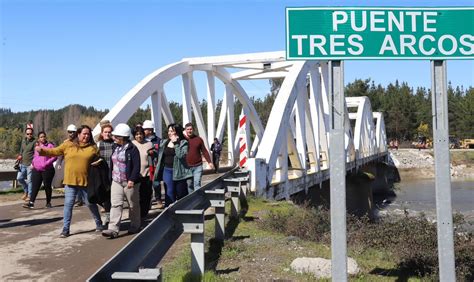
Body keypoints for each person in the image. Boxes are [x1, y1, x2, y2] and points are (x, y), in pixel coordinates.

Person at [37, 125, 103, 238]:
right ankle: (65, 229)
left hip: (85, 182)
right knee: (68, 205)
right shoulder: (68, 144)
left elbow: (99, 160)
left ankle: (99, 223)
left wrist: (98, 163)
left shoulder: (93, 148)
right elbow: (55, 151)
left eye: (88, 134)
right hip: (70, 182)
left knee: (90, 204)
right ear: (78, 134)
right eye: (84, 134)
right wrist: (42, 151)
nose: (86, 136)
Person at [102, 123, 141, 239]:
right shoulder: (115, 147)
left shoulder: (133, 149)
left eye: (116, 136)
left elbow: (136, 166)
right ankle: (113, 229)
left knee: (133, 205)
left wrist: (132, 179)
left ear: (123, 137)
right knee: (116, 204)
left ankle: (135, 225)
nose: (114, 138)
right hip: (116, 180)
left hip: (129, 182)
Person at [153, 124, 191, 207]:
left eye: (172, 131)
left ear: (177, 132)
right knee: (169, 193)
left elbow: (181, 156)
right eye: (169, 131)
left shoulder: (183, 142)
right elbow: (160, 154)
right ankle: (169, 214)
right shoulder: (164, 142)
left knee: (181, 194)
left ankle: (182, 213)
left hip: (179, 172)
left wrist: (176, 143)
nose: (169, 133)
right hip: (167, 171)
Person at [23, 132, 57, 209]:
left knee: (47, 186)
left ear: (46, 137)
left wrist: (46, 163)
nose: (43, 138)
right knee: (35, 186)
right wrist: (33, 163)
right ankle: (31, 203)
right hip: (37, 169)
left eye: (44, 136)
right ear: (38, 138)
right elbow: (35, 156)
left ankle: (48, 202)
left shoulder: (50, 146)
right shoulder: (37, 146)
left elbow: (55, 156)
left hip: (47, 170)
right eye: (41, 137)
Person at [183, 122, 213, 193]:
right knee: (189, 184)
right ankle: (191, 200)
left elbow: (204, 151)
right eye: (188, 129)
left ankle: (198, 200)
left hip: (198, 166)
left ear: (193, 130)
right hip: (187, 167)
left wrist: (209, 162)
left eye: (191, 129)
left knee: (197, 184)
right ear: (185, 130)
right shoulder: (183, 140)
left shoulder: (199, 139)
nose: (189, 131)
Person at [131, 126, 154, 219]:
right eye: (136, 134)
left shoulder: (149, 144)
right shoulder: (131, 144)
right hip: (136, 174)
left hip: (147, 173)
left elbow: (154, 157)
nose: (139, 136)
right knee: (137, 196)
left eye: (140, 134)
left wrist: (153, 153)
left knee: (147, 194)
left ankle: (144, 213)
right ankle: (138, 214)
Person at [96, 122, 114, 227]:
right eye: (105, 132)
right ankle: (108, 216)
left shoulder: (116, 144)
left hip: (114, 173)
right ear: (102, 133)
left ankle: (110, 218)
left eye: (109, 132)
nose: (107, 134)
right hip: (103, 173)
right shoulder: (99, 144)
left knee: (111, 197)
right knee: (103, 196)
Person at [143, 119, 162, 207]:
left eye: (150, 129)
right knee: (147, 185)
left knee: (156, 183)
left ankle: (158, 199)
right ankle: (148, 201)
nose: (149, 131)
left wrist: (154, 152)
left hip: (155, 165)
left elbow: (160, 152)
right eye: (147, 129)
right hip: (145, 166)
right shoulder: (141, 140)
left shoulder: (158, 140)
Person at [17, 127, 35, 201]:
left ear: (32, 134)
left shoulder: (34, 142)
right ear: (25, 134)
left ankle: (29, 196)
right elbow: (21, 150)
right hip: (22, 163)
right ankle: (26, 191)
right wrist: (20, 155)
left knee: (30, 180)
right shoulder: (23, 141)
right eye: (28, 134)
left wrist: (33, 163)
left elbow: (36, 154)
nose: (29, 135)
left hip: (30, 165)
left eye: (30, 134)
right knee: (19, 178)